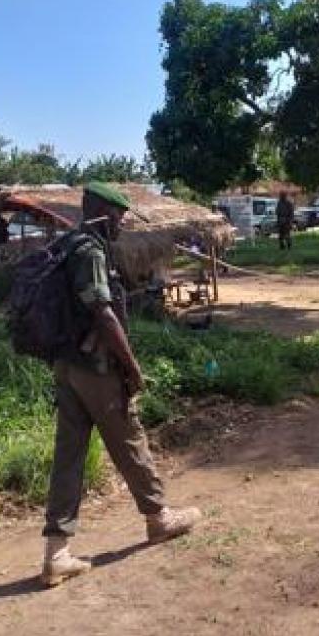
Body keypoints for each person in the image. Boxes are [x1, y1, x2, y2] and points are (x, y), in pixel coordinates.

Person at [41, 182, 200, 587]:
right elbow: (103, 313)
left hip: (67, 364)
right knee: (130, 440)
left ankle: (56, 552)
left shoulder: (67, 244)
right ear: (99, 210)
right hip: (95, 366)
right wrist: (130, 367)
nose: (121, 222)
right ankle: (159, 517)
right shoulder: (91, 251)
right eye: (117, 215)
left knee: (69, 455)